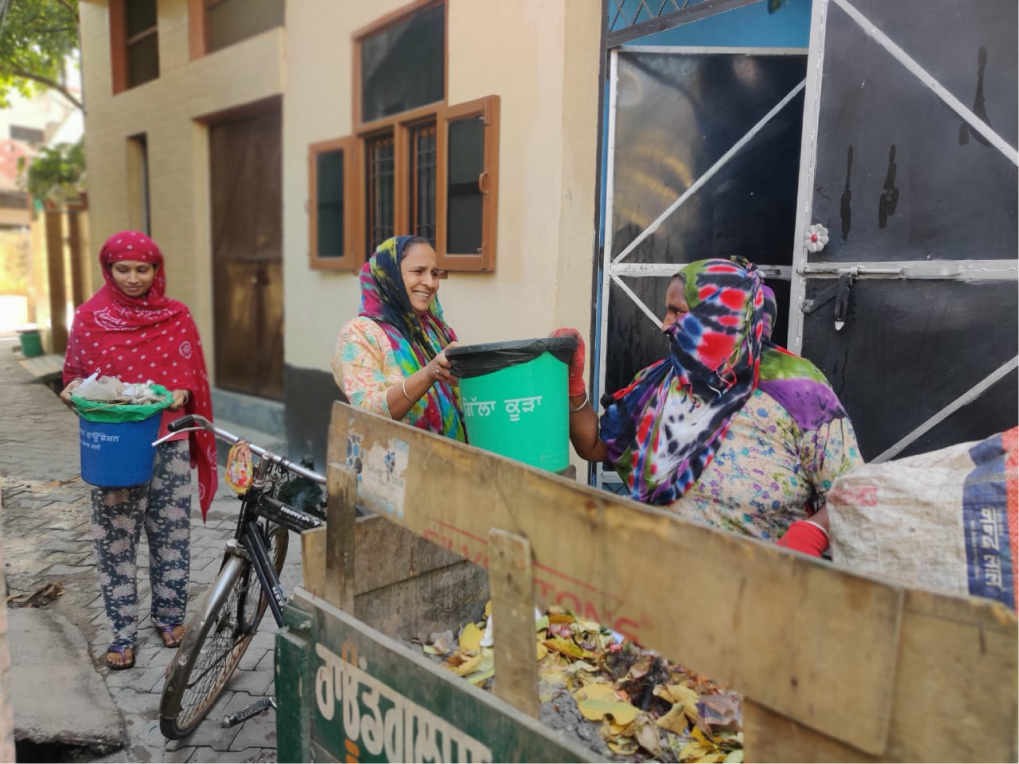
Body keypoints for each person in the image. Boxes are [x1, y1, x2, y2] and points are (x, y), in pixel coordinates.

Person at [554, 258, 862, 557]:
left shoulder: (800, 391)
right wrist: (572, 385)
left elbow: (853, 489)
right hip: (660, 577)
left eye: (678, 312)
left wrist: (813, 533)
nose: (665, 325)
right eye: (667, 312)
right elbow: (594, 445)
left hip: (763, 587)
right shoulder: (659, 382)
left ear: (721, 316)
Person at [61, 230, 217, 670]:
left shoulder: (176, 316)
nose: (133, 278)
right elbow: (72, 376)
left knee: (171, 535)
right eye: (123, 269)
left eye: (142, 269)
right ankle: (121, 632)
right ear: (107, 270)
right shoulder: (90, 317)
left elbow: (190, 378)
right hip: (115, 446)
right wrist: (74, 392)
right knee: (115, 539)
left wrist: (180, 395)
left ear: (156, 270)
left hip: (167, 440)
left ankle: (168, 617)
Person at [332, 235, 465, 440]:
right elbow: (367, 412)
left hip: (451, 462)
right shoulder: (361, 333)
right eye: (418, 271)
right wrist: (429, 373)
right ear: (390, 275)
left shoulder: (436, 331)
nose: (430, 283)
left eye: (435, 273)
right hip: (396, 464)